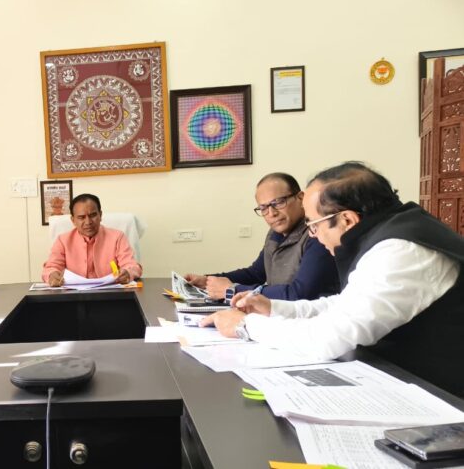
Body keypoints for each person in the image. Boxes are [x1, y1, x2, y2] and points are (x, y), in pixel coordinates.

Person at [201, 162, 464, 396]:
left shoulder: (401, 251)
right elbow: (346, 303)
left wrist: (246, 326)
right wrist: (274, 308)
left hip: (443, 401)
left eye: (313, 224)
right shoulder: (390, 234)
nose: (312, 234)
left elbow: (329, 338)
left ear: (347, 219)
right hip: (410, 382)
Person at [185, 173, 339, 301]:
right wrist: (208, 281)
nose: (271, 213)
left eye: (278, 203)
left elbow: (300, 293)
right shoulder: (275, 232)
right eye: (263, 208)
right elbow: (256, 273)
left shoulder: (318, 234)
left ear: (300, 198)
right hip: (279, 314)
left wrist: (233, 290)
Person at [43, 194, 142, 286]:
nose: (88, 222)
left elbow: (131, 265)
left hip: (110, 293)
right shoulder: (63, 240)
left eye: (93, 215)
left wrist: (128, 273)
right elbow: (51, 267)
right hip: (74, 295)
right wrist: (52, 275)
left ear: (100, 215)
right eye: (81, 217)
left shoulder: (117, 237)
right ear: (73, 220)